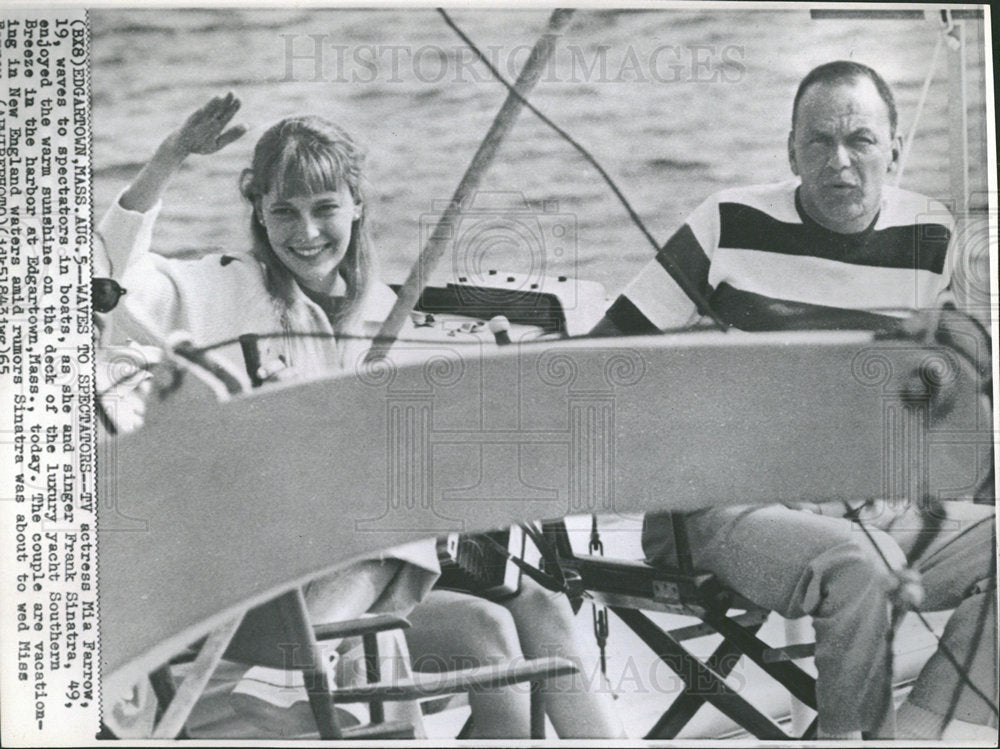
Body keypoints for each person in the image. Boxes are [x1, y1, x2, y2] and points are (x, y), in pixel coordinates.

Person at [102, 94, 624, 739]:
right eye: (283, 212)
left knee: (537, 607)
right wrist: (171, 156)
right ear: (259, 215)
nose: (306, 232)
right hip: (263, 590)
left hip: (374, 571)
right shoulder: (220, 286)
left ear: (358, 206)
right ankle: (291, 674)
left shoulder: (387, 311)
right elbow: (106, 280)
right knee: (423, 545)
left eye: (325, 209)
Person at [590, 61, 996, 740]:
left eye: (861, 141)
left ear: (893, 149)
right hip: (719, 506)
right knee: (862, 565)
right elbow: (602, 363)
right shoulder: (727, 222)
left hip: (864, 509)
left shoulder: (933, 238)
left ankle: (921, 729)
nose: (840, 162)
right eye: (819, 142)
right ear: (791, 150)